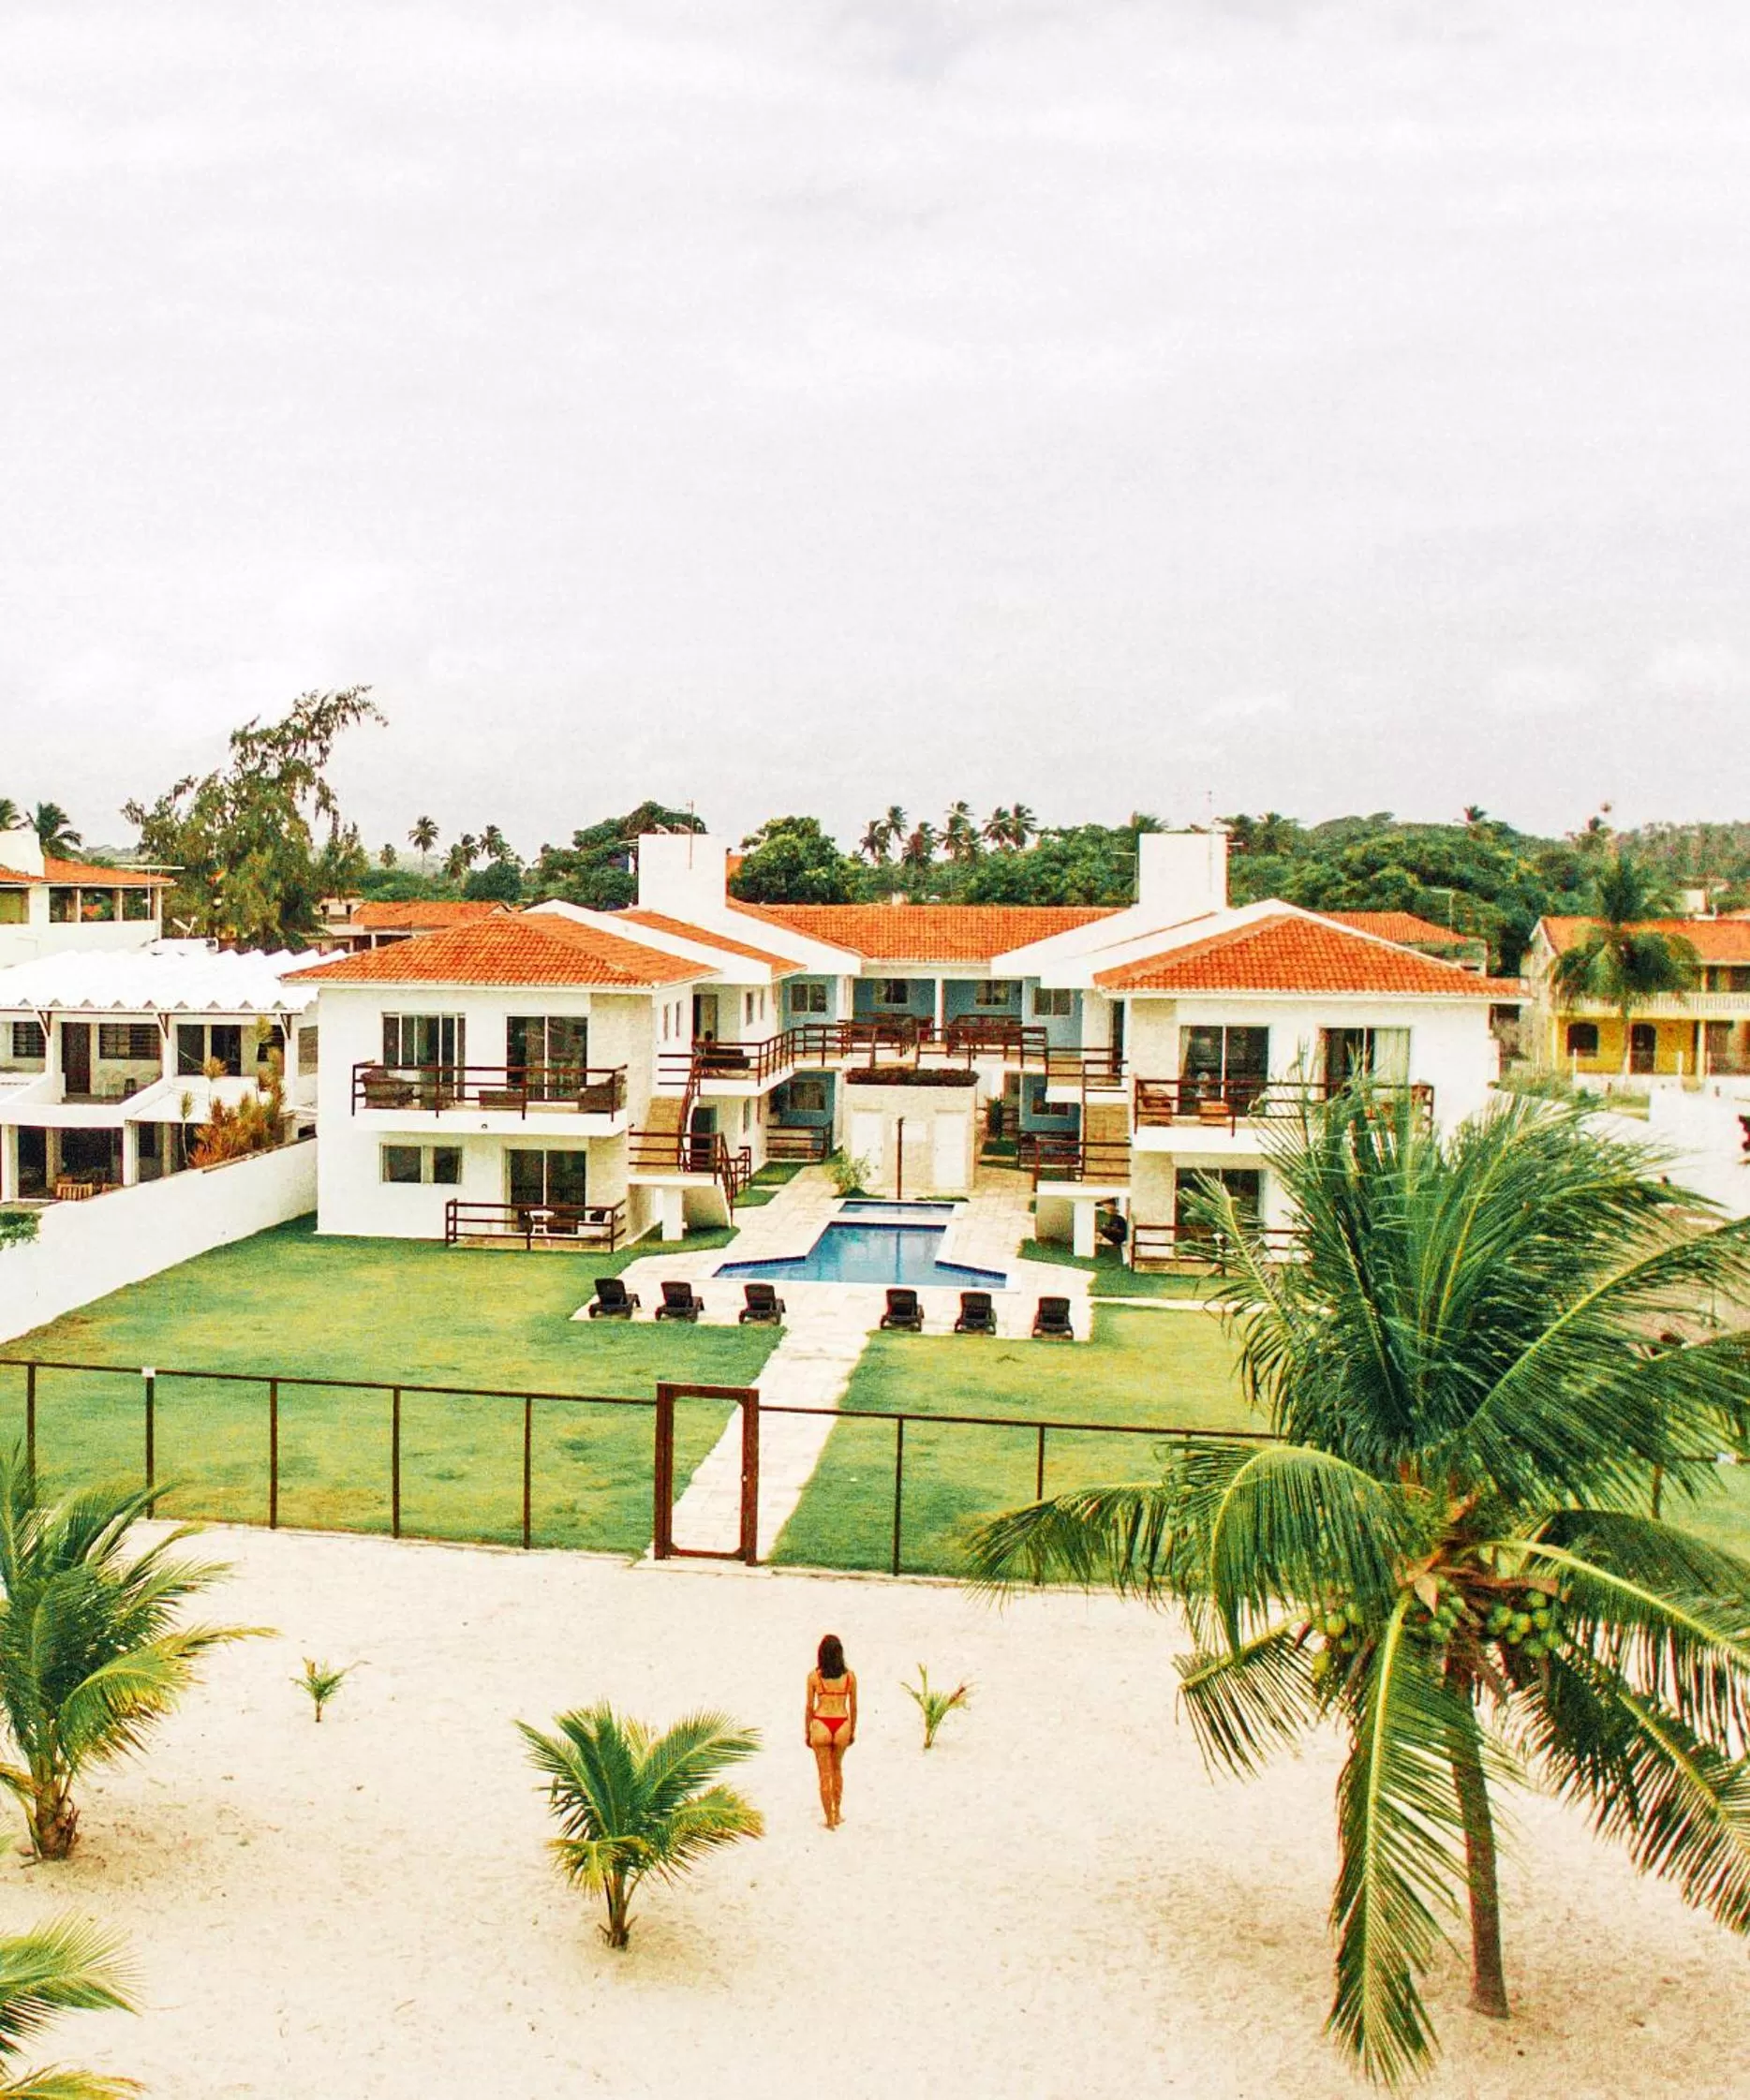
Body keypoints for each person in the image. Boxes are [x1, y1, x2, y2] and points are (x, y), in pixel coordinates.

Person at [805, 1633, 857, 1829]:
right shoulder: (850, 1677)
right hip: (842, 1722)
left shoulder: (814, 1677)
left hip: (821, 1723)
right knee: (837, 1769)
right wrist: (852, 1730)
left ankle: (829, 1819)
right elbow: (854, 1707)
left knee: (824, 1774)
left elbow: (809, 1707)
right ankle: (837, 1814)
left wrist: (807, 1732)